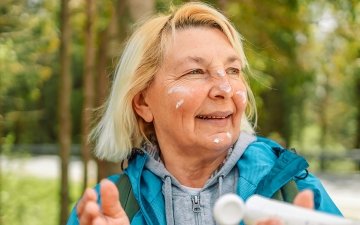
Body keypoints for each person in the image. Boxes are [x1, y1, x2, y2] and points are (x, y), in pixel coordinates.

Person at [67, 2, 342, 225]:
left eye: (233, 70)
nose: (225, 88)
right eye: (195, 71)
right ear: (143, 103)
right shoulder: (105, 209)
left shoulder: (296, 194)